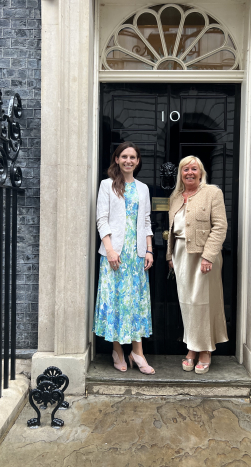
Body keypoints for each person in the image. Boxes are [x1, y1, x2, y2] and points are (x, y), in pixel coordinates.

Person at [93, 141, 155, 375]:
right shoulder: (107, 185)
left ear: (138, 162)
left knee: (136, 303)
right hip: (115, 255)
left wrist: (149, 249)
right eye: (124, 156)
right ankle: (118, 350)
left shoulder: (143, 189)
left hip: (136, 255)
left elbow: (147, 221)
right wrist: (109, 250)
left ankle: (137, 352)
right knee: (117, 302)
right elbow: (102, 219)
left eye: (133, 157)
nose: (128, 161)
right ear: (117, 159)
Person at [167, 156, 228, 374]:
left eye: (194, 169)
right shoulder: (175, 196)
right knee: (187, 303)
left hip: (203, 255)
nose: (189, 172)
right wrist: (169, 257)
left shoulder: (213, 193)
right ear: (180, 174)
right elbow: (171, 230)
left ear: (201, 172)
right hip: (181, 254)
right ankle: (191, 346)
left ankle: (205, 351)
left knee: (203, 303)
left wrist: (208, 256)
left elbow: (220, 226)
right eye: (185, 169)